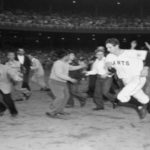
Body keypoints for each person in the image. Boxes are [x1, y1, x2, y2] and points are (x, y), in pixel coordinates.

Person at [105, 38, 149, 119]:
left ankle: (139, 107)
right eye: (107, 47)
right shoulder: (109, 56)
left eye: (110, 47)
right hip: (126, 80)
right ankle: (146, 106)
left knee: (121, 97)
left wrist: (146, 68)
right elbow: (109, 65)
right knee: (142, 98)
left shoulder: (130, 53)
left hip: (137, 77)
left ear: (117, 46)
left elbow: (148, 54)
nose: (108, 49)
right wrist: (109, 68)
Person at [46, 50, 86, 118]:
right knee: (60, 97)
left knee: (66, 96)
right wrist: (70, 79)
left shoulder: (64, 63)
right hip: (55, 82)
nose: (69, 56)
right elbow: (59, 74)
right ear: (64, 56)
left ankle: (60, 110)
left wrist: (80, 66)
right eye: (68, 55)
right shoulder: (58, 63)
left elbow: (70, 68)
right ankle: (51, 111)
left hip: (62, 82)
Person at [86, 46, 113, 111]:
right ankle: (100, 106)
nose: (100, 55)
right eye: (98, 54)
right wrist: (87, 72)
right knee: (97, 93)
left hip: (107, 78)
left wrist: (106, 74)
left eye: (101, 54)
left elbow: (113, 71)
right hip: (98, 78)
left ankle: (115, 100)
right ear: (96, 55)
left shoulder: (107, 60)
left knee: (105, 92)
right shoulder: (96, 61)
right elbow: (95, 71)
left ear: (103, 54)